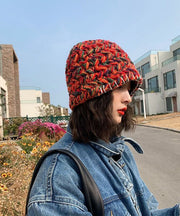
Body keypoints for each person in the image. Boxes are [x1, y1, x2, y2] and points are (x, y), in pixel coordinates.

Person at [26, 39, 180, 215]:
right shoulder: (60, 172)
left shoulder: (120, 152)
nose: (128, 98)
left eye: (129, 89)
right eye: (119, 87)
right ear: (92, 95)